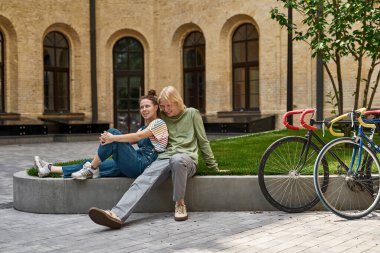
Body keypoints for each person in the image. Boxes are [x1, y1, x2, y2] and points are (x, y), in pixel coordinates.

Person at [88, 85, 218, 229]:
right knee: (142, 180)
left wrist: (213, 166)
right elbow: (145, 128)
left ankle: (180, 204)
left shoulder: (192, 114)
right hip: (164, 159)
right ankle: (116, 215)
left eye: (169, 106)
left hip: (186, 159)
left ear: (178, 101)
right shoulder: (163, 117)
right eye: (163, 106)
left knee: (177, 159)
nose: (166, 110)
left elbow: (203, 141)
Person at [34, 90, 168, 181]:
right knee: (94, 163)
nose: (144, 110)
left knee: (114, 133)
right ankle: (48, 168)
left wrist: (112, 137)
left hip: (144, 165)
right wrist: (108, 140)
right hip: (135, 161)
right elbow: (127, 143)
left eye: (147, 106)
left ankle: (91, 169)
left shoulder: (159, 123)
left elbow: (137, 138)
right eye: (141, 107)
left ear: (156, 107)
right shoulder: (143, 127)